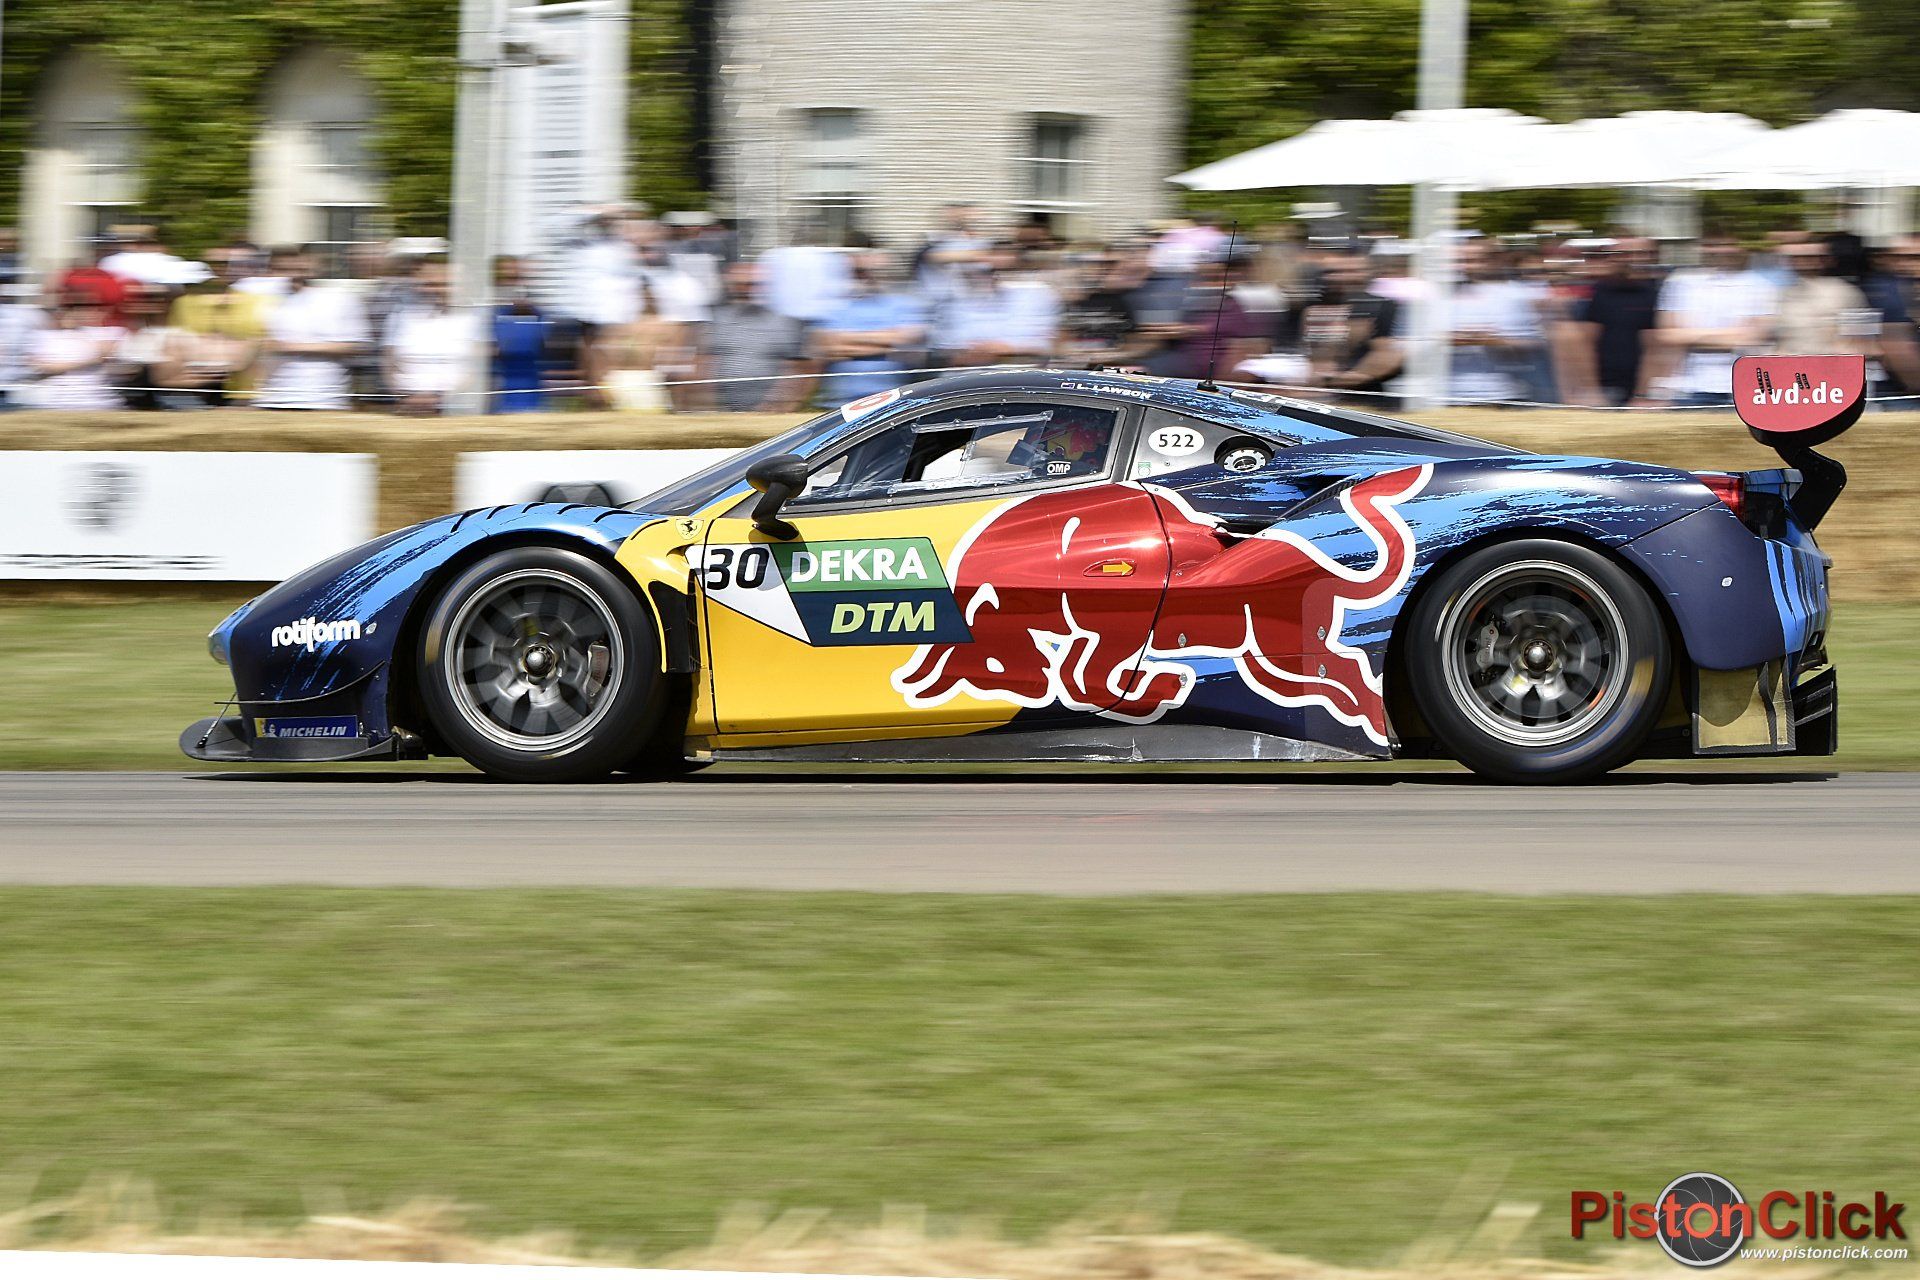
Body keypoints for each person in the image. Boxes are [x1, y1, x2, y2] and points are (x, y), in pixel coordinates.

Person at [1651, 233, 1778, 407]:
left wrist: (1691, 336)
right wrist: (1732, 336)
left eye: (1728, 244)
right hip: (1689, 387)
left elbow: (1754, 337)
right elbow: (1668, 336)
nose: (1722, 250)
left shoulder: (1761, 285)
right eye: (1714, 244)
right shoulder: (1681, 282)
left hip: (1743, 387)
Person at [811, 245, 929, 405]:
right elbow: (830, 346)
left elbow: (907, 341)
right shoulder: (833, 306)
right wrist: (887, 343)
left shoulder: (904, 304)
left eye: (872, 271)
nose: (866, 276)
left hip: (894, 403)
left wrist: (848, 342)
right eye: (859, 271)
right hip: (841, 404)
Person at [255, 248, 369, 411]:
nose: (292, 274)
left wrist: (291, 347)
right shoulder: (264, 301)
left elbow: (355, 346)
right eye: (283, 268)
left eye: (298, 268)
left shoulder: (339, 299)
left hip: (323, 400)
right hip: (272, 399)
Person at [693, 259, 812, 412]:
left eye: (752, 284)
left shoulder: (786, 323)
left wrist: (775, 406)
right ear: (729, 285)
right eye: (739, 285)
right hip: (721, 411)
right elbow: (700, 365)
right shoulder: (713, 320)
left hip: (769, 412)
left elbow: (800, 370)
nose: (746, 290)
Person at [1446, 240, 1549, 404]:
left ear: (1495, 260)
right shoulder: (1442, 296)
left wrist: (1493, 340)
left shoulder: (1515, 295)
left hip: (1502, 395)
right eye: (1463, 260)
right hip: (1448, 395)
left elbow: (1535, 345)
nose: (1467, 266)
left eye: (1477, 260)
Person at [1300, 250, 1404, 406]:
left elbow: (1387, 358)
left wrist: (1333, 380)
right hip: (1318, 397)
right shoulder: (1311, 306)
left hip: (1365, 399)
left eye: (1353, 271)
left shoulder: (1383, 306)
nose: (1345, 277)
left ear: (1368, 273)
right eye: (1336, 272)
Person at [167, 246, 270, 404]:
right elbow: (176, 345)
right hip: (196, 391)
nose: (223, 268)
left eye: (228, 263)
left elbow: (262, 345)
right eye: (215, 263)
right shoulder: (184, 303)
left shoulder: (260, 302)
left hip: (245, 392)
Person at [382, 257, 484, 416]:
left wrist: (440, 400)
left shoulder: (476, 318)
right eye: (428, 284)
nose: (435, 290)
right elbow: (389, 363)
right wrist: (406, 398)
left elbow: (479, 368)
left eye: (444, 284)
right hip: (408, 410)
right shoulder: (401, 316)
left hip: (459, 412)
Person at [1572, 238, 1664, 406]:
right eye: (1626, 254)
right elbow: (1585, 343)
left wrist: (1644, 394)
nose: (1634, 259)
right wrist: (1592, 390)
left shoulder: (1663, 291)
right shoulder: (1600, 292)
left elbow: (1659, 345)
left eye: (1641, 254)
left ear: (1654, 256)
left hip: (1652, 389)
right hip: (1608, 386)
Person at [941, 243, 1057, 370]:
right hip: (969, 373)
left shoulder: (1037, 294)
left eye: (1006, 269)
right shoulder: (957, 302)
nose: (996, 275)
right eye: (989, 270)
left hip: (1023, 371)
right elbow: (954, 351)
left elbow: (1046, 346)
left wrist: (1004, 349)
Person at [18, 288, 124, 411]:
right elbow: (41, 367)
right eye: (65, 309)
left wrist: (62, 365)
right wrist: (90, 360)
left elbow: (107, 351)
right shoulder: (43, 336)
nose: (68, 315)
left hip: (97, 403)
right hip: (55, 404)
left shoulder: (102, 332)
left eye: (77, 309)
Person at [490, 256, 550, 413]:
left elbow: (535, 346)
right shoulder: (487, 314)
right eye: (510, 278)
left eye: (519, 278)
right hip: (494, 401)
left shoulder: (535, 314)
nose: (517, 285)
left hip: (530, 400)